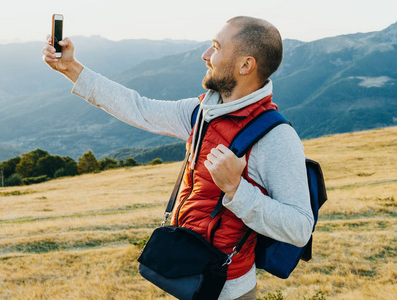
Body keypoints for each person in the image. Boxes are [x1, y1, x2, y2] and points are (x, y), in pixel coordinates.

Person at [42, 16, 314, 300]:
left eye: (216, 48)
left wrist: (236, 189)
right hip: (188, 274)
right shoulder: (202, 111)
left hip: (229, 291)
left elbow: (300, 229)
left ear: (246, 65)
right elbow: (139, 108)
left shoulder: (276, 138)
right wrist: (70, 68)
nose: (206, 55)